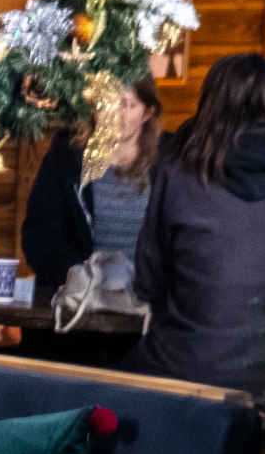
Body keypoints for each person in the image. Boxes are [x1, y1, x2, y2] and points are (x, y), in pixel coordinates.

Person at [126, 54, 265, 400]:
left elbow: (148, 280)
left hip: (183, 366)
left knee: (103, 386)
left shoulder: (179, 171)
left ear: (210, 102)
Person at [22, 76, 167, 293]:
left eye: (127, 104)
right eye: (105, 103)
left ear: (148, 112)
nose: (113, 114)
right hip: (81, 303)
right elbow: (39, 234)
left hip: (149, 304)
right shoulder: (66, 159)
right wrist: (75, 274)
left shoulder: (169, 165)